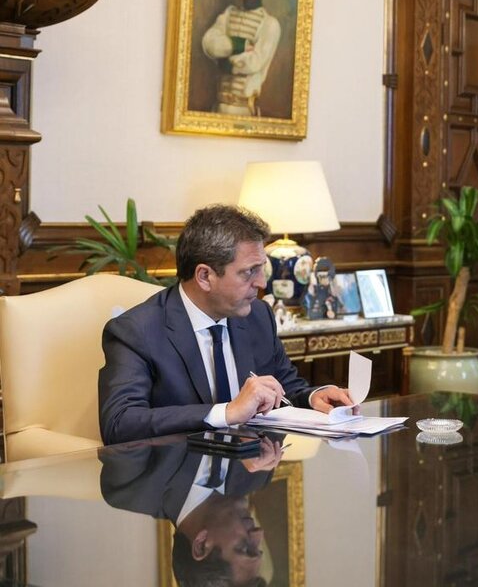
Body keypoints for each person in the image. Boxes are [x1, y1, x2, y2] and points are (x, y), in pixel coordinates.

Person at [99, 204, 354, 445]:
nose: (261, 283)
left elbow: (286, 388)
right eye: (248, 272)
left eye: (261, 269)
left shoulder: (258, 316)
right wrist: (227, 412)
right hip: (172, 482)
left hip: (245, 473)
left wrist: (313, 396)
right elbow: (120, 423)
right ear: (205, 276)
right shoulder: (137, 331)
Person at [100, 436, 283, 586]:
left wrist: (226, 414)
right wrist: (311, 397)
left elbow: (127, 414)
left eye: (245, 547)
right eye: (257, 548)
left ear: (201, 544)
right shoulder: (256, 477)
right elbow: (284, 400)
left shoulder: (131, 487)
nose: (259, 534)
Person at [201, 0, 281, 117]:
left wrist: (226, 63)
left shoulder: (270, 25)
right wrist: (239, 45)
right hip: (218, 109)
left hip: (244, 111)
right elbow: (209, 43)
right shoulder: (229, 14)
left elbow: (254, 62)